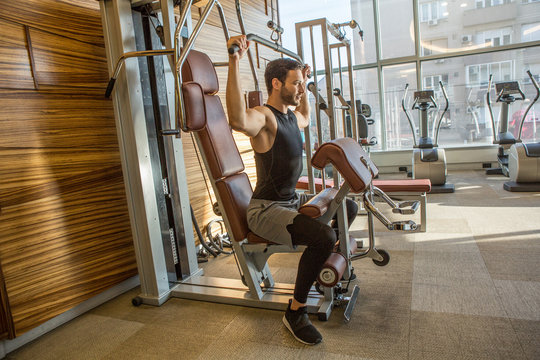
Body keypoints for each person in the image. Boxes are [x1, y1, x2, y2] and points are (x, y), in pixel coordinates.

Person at [226, 35, 357, 345]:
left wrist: (306, 84)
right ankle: (295, 312)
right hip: (266, 210)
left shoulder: (290, 117)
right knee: (324, 236)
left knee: (347, 208)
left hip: (289, 200)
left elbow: (307, 117)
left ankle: (323, 264)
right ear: (276, 84)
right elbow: (237, 119)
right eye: (296, 83)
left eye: (302, 83)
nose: (301, 88)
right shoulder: (266, 117)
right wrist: (234, 61)